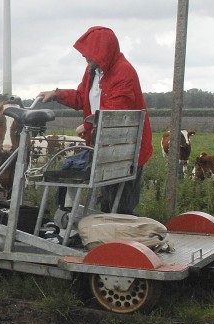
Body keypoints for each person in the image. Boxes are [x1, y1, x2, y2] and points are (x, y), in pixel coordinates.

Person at [38, 26, 153, 215]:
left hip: (126, 150)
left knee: (120, 207)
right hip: (104, 148)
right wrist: (56, 94)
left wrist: (88, 124)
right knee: (78, 176)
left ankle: (122, 239)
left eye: (89, 53)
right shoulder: (93, 70)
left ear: (103, 51)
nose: (85, 57)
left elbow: (118, 111)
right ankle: (69, 217)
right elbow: (80, 97)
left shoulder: (124, 73)